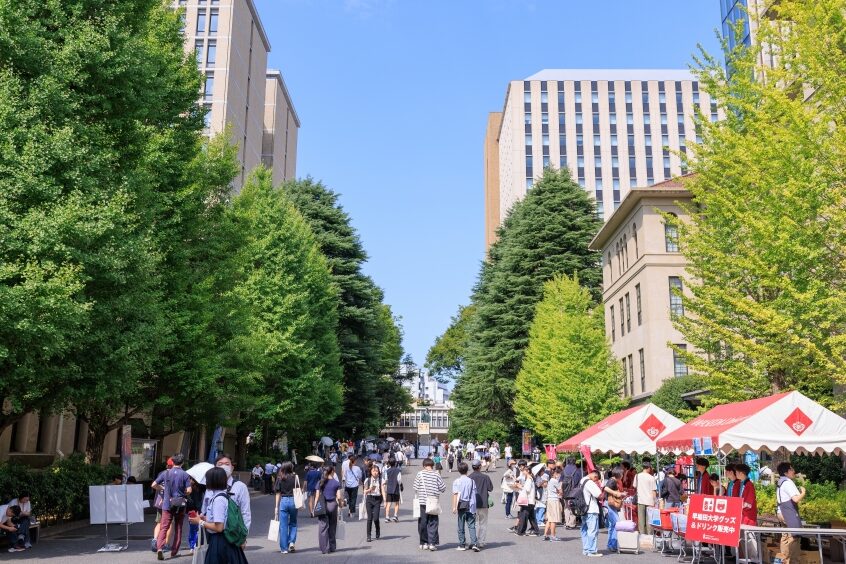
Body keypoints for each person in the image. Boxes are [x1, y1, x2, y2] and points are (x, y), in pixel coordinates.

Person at [189, 467, 248, 564]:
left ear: (213, 481)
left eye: (207, 479)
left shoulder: (218, 500)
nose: (206, 482)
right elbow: (221, 519)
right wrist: (205, 518)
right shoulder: (222, 496)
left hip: (220, 543)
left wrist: (200, 521)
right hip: (225, 541)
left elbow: (219, 527)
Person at [156, 452, 192, 561]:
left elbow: (153, 485)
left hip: (167, 504)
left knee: (164, 527)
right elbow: (189, 490)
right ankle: (174, 551)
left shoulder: (166, 473)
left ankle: (159, 549)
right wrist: (184, 493)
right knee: (178, 527)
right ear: (182, 463)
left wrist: (162, 489)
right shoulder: (185, 474)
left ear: (173, 461)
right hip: (180, 505)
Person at [413, 458, 447, 551]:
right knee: (433, 522)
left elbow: (415, 487)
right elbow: (443, 488)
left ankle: (423, 543)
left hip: (423, 502)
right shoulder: (436, 474)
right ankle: (432, 543)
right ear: (432, 465)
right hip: (433, 502)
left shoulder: (420, 474)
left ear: (424, 465)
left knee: (423, 522)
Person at [215, 454, 252, 536]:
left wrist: (244, 536)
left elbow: (245, 513)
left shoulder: (240, 487)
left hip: (233, 535)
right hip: (213, 533)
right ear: (215, 468)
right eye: (220, 464)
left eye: (227, 464)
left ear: (232, 468)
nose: (224, 467)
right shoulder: (210, 487)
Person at [776, 462, 805, 564]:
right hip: (789, 513)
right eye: (791, 469)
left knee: (785, 537)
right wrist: (803, 492)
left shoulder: (780, 482)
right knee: (794, 537)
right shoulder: (788, 482)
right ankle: (792, 561)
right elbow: (796, 499)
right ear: (786, 472)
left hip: (781, 512)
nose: (794, 471)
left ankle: (784, 560)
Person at [452, 462, 480, 552]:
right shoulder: (472, 481)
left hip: (461, 505)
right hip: (470, 505)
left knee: (461, 525)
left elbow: (455, 494)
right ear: (467, 470)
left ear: (459, 470)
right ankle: (474, 543)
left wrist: (454, 507)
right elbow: (474, 493)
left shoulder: (456, 481)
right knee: (471, 525)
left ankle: (462, 544)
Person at [317, 466, 344, 554]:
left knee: (323, 527)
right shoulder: (336, 483)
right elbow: (339, 497)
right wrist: (340, 504)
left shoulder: (321, 482)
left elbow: (317, 496)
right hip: (332, 505)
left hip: (323, 505)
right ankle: (332, 547)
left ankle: (325, 548)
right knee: (332, 526)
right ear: (332, 471)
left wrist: (314, 507)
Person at [274, 461, 299, 554]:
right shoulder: (295, 477)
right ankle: (291, 542)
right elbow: (298, 489)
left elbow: (278, 493)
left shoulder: (280, 478)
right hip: (293, 501)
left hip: (284, 501)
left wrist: (276, 507)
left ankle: (284, 549)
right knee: (293, 523)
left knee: (283, 525)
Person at [734, 463, 758, 561]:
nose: (735, 474)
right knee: (744, 538)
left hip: (748, 517)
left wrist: (738, 505)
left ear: (741, 473)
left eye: (736, 472)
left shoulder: (749, 485)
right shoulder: (743, 484)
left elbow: (749, 504)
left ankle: (753, 559)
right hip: (743, 516)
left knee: (750, 538)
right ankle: (746, 558)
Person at [150, 458, 174, 553]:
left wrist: (161, 488)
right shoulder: (175, 474)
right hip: (170, 502)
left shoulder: (161, 473)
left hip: (160, 502)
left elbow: (154, 485)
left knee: (159, 522)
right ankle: (166, 544)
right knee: (170, 523)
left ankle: (155, 540)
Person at [579, 468, 603, 558]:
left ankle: (586, 549)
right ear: (595, 476)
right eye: (596, 479)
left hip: (583, 509)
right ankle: (592, 551)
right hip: (591, 509)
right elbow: (599, 495)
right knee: (592, 530)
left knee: (584, 530)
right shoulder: (590, 483)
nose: (595, 481)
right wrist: (602, 489)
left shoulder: (582, 480)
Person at [468, 460, 493, 547]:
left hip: (472, 504)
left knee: (473, 524)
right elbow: (490, 488)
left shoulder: (469, 477)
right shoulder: (485, 477)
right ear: (480, 467)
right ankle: (481, 541)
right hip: (483, 503)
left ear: (472, 467)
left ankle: (473, 541)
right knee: (483, 523)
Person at [513, 464, 540, 536]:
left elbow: (527, 490)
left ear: (528, 471)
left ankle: (521, 531)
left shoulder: (529, 479)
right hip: (530, 501)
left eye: (524, 471)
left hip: (527, 501)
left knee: (524, 516)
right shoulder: (530, 478)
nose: (523, 472)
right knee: (531, 517)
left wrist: (520, 486)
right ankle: (535, 530)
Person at [603, 468, 624, 552]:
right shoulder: (612, 481)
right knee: (616, 524)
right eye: (622, 474)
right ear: (619, 474)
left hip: (608, 503)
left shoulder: (612, 480)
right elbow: (606, 488)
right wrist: (615, 493)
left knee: (612, 525)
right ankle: (612, 545)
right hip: (610, 504)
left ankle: (610, 545)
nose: (622, 475)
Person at [363, 464, 385, 542]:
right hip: (369, 499)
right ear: (371, 472)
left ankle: (377, 530)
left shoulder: (381, 480)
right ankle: (368, 536)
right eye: (373, 471)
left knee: (376, 518)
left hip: (377, 500)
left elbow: (383, 490)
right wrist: (370, 489)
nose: (375, 472)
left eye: (376, 471)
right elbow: (364, 491)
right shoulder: (368, 480)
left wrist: (385, 501)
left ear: (378, 472)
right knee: (369, 518)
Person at [634, 462, 657, 536]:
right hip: (650, 501)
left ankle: (642, 535)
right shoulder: (651, 477)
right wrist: (655, 501)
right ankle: (649, 535)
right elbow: (654, 491)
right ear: (649, 468)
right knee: (649, 520)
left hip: (640, 500)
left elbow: (634, 486)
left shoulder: (637, 476)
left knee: (641, 520)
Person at [562, 457, 583, 529]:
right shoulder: (577, 470)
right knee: (573, 506)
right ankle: (572, 523)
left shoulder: (564, 470)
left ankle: (567, 522)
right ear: (575, 462)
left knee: (566, 507)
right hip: (574, 491)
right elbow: (580, 481)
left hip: (565, 491)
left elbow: (561, 481)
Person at [544, 466, 564, 542]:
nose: (559, 476)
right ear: (556, 474)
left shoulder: (550, 481)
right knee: (554, 519)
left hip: (549, 500)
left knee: (549, 518)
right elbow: (560, 491)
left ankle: (546, 535)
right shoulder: (555, 481)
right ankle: (553, 536)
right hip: (554, 500)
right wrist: (561, 486)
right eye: (559, 474)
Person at [186, 477, 205, 555]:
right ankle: (193, 546)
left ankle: (194, 546)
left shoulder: (200, 486)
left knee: (194, 529)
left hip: (195, 510)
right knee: (195, 529)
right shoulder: (190, 487)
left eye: (192, 479)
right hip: (195, 510)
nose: (191, 481)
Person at [341, 454, 362, 519]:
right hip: (354, 485)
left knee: (350, 498)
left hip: (347, 485)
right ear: (355, 461)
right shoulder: (357, 468)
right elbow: (360, 476)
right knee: (353, 499)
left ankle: (347, 502)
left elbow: (344, 475)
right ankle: (351, 512)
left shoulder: (346, 468)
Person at [383, 458, 402, 523]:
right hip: (396, 488)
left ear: (389, 463)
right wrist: (400, 484)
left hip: (389, 489)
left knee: (388, 503)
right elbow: (399, 480)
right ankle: (395, 516)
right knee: (396, 503)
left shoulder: (387, 471)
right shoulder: (398, 470)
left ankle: (387, 517)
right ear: (395, 463)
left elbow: (386, 479)